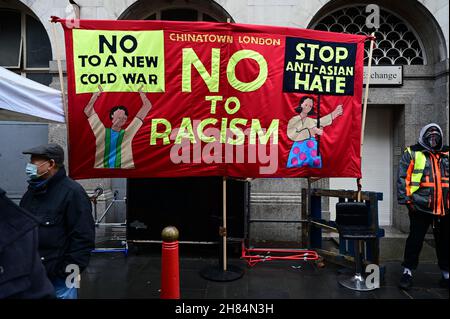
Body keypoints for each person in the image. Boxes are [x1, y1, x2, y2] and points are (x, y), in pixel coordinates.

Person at [19, 143, 95, 299]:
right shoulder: (32, 191)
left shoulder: (73, 193)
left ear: (51, 164)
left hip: (61, 278)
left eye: (34, 161)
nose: (29, 166)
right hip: (33, 274)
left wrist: (68, 272)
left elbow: (83, 237)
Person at [397, 123, 449, 290]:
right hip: (419, 206)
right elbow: (403, 178)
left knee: (445, 242)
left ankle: (446, 275)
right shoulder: (412, 153)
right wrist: (407, 201)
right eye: (430, 134)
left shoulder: (447, 153)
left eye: (436, 135)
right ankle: (407, 273)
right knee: (415, 240)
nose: (433, 138)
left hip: (445, 208)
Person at [0, 187, 55, 299]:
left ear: (51, 167)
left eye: (36, 167)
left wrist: (67, 269)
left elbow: (81, 234)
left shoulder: (72, 191)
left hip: (58, 271)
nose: (30, 168)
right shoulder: (29, 195)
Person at [84, 85, 153, 169]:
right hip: (102, 170)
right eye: (119, 116)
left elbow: (147, 106)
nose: (121, 119)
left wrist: (142, 94)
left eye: (124, 117)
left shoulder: (128, 133)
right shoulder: (102, 131)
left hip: (124, 170)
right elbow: (88, 110)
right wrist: (96, 95)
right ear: (112, 115)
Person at [286, 96, 343, 168]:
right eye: (306, 105)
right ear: (301, 104)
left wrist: (334, 114)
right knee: (295, 166)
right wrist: (310, 132)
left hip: (311, 147)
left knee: (314, 166)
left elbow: (321, 121)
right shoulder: (294, 120)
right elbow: (291, 134)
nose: (307, 107)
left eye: (310, 106)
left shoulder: (310, 120)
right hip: (299, 147)